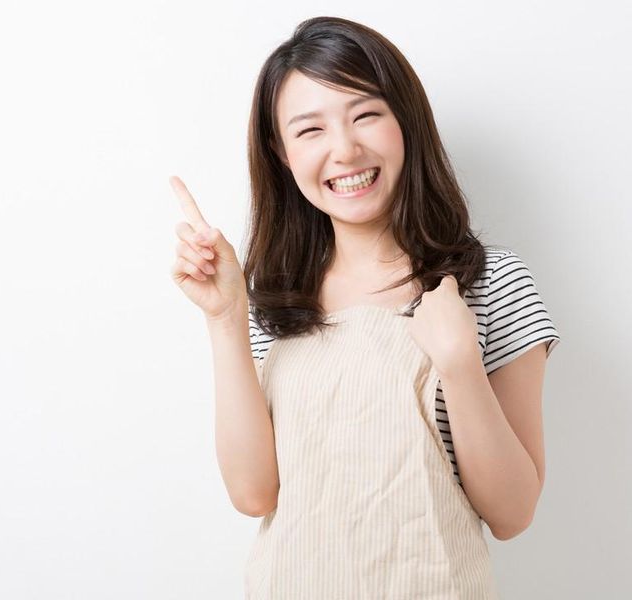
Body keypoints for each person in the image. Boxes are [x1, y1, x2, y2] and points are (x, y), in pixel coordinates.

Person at [170, 15, 560, 599]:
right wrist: (225, 319)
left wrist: (459, 364)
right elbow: (254, 494)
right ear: (281, 153)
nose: (345, 150)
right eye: (310, 130)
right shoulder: (275, 300)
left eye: (366, 115)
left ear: (406, 121)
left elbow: (512, 513)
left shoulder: (492, 283)